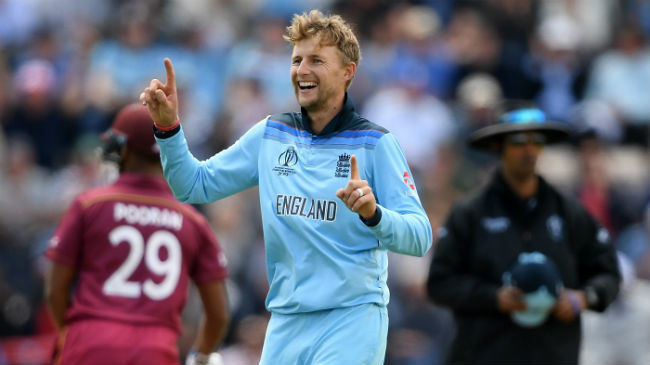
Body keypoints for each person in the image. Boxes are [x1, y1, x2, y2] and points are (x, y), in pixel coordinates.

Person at [141, 9, 432, 365]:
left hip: (351, 320)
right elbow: (194, 186)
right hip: (285, 321)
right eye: (297, 60)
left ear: (347, 72)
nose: (301, 70)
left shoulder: (375, 143)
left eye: (316, 60)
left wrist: (375, 215)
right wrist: (169, 130)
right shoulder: (272, 134)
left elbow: (419, 237)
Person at [426, 105, 620, 364]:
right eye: (518, 141)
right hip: (484, 353)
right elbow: (440, 284)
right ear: (498, 146)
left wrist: (583, 298)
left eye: (537, 141)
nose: (529, 150)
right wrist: (494, 297)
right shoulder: (469, 213)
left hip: (553, 354)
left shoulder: (570, 212)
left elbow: (607, 273)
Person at [44, 104, 229, 365]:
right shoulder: (193, 221)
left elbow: (54, 290)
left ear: (123, 150)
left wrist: (73, 332)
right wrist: (201, 357)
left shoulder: (88, 206)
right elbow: (219, 313)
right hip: (155, 352)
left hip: (89, 344)